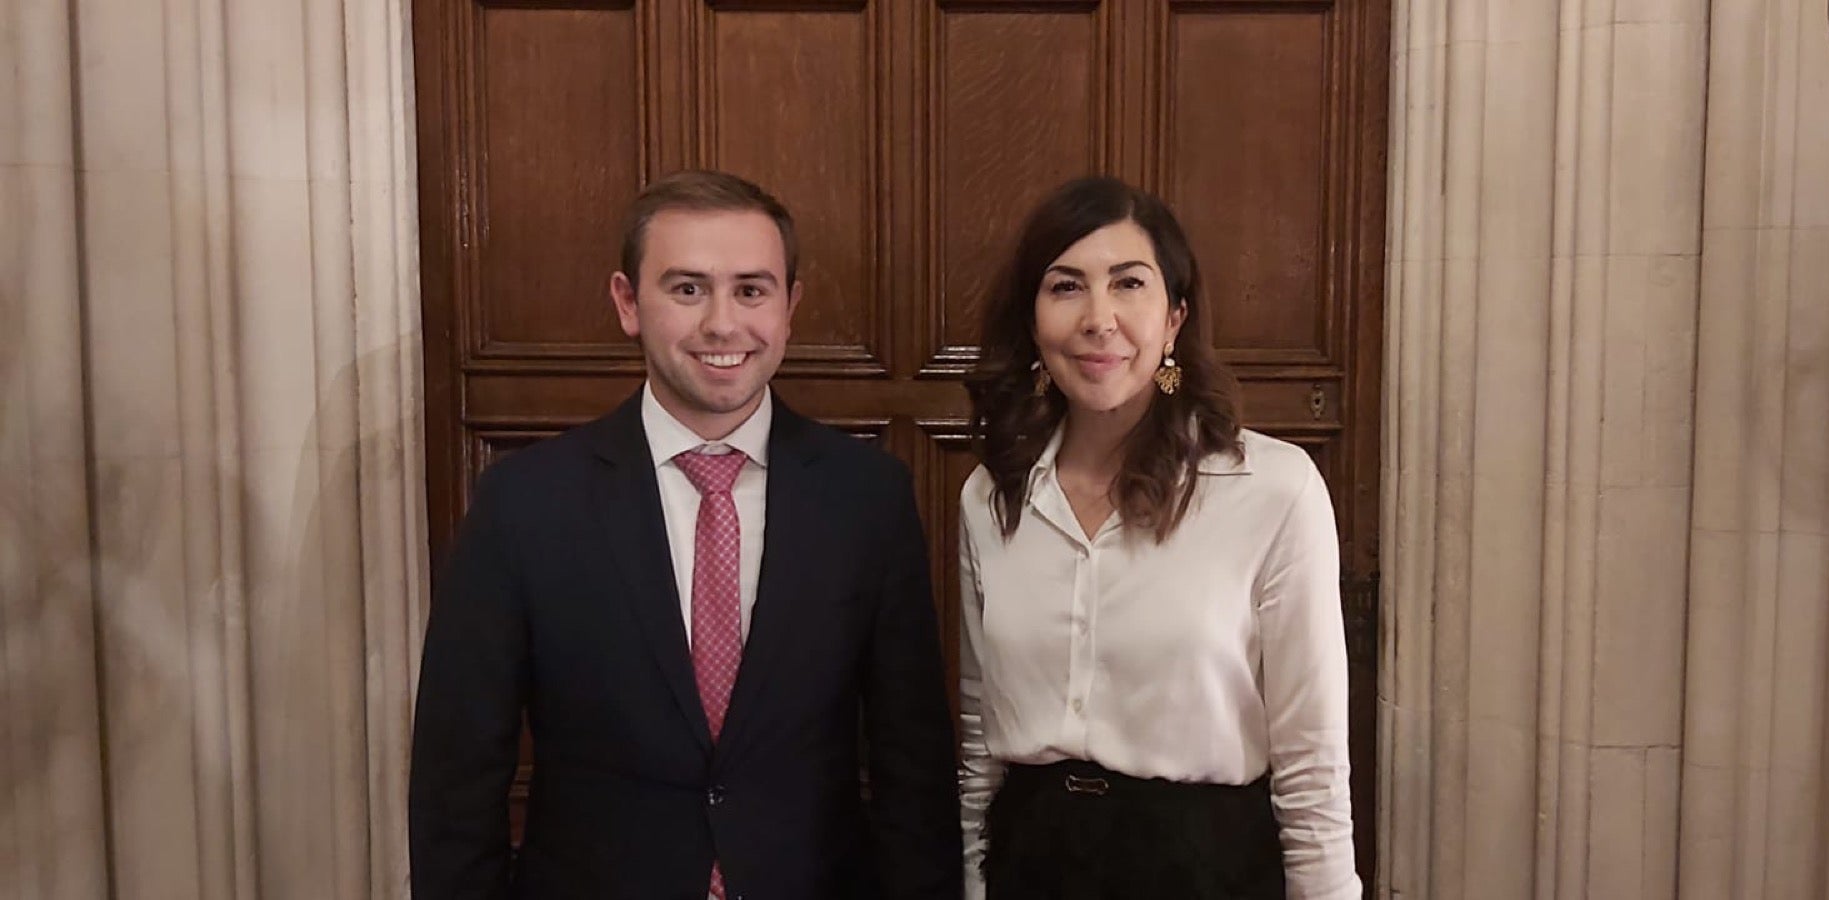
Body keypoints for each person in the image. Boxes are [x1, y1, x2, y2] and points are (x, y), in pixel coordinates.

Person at [410, 170, 962, 900]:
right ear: (627, 302)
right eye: (688, 289)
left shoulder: (867, 499)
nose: (723, 324)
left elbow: (912, 766)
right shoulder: (525, 504)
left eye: (752, 290)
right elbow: (458, 777)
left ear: (790, 307)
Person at [956, 176, 1363, 900]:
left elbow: (1312, 757)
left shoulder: (1271, 489)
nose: (1099, 318)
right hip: (1033, 859)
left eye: (1129, 284)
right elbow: (978, 724)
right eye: (1065, 286)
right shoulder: (994, 496)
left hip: (1203, 866)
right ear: (1032, 320)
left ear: (1174, 317)